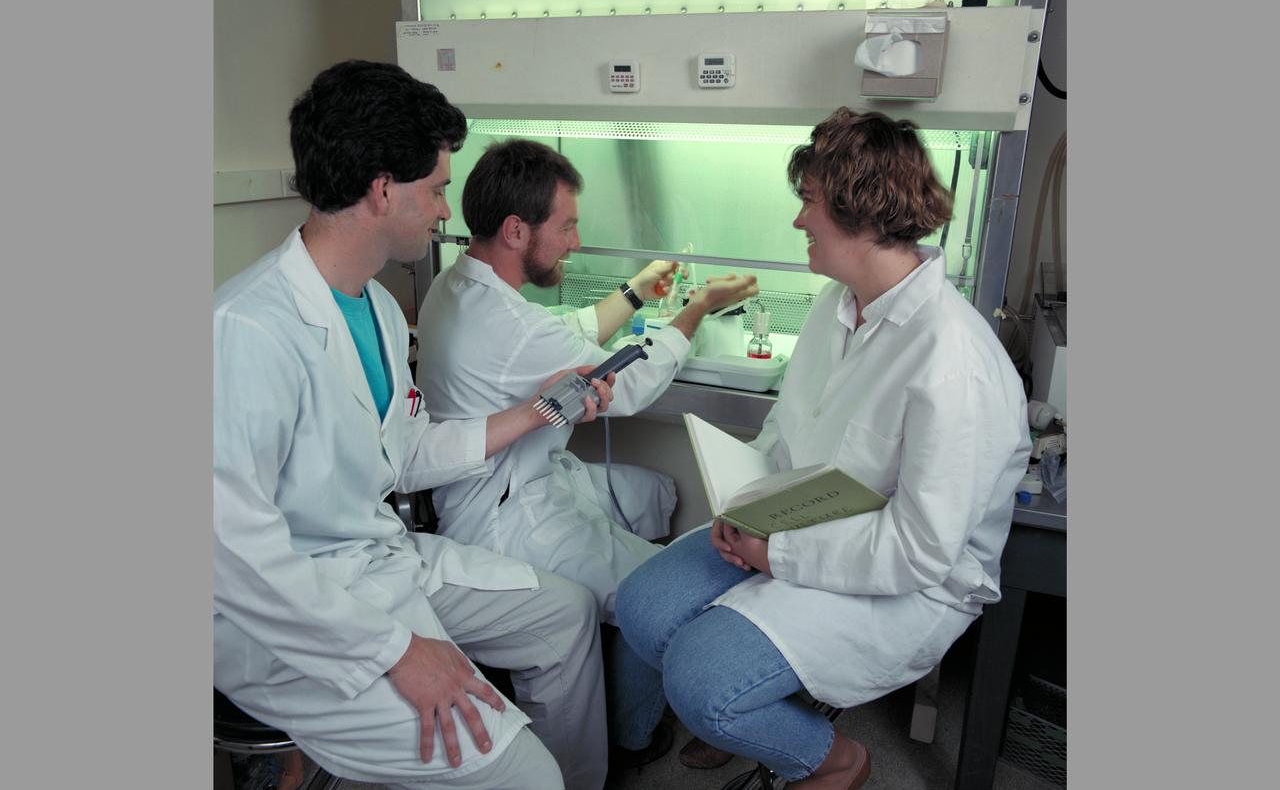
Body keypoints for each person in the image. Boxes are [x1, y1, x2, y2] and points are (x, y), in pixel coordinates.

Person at [213, 60, 619, 790]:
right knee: (522, 774)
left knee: (565, 612)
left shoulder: (370, 304)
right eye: (434, 188)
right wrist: (397, 650)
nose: (443, 211)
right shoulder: (247, 330)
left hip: (377, 560)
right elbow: (234, 554)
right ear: (381, 189)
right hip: (289, 618)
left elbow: (401, 452)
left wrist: (537, 409)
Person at [614, 108, 1031, 790]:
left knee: (701, 677)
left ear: (862, 211)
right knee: (641, 605)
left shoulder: (952, 362)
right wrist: (740, 506)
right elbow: (786, 428)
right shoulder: (836, 304)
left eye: (808, 201)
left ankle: (831, 758)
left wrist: (776, 553)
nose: (798, 220)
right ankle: (757, 707)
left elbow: (922, 549)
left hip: (911, 581)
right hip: (791, 524)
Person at [415, 138, 757, 763]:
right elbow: (631, 384)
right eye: (567, 226)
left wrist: (633, 293)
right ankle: (630, 733)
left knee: (655, 492)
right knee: (662, 595)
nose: (575, 241)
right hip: (510, 516)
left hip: (518, 481)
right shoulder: (511, 327)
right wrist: (698, 308)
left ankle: (626, 687)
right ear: (518, 230)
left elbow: (562, 335)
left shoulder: (455, 285)